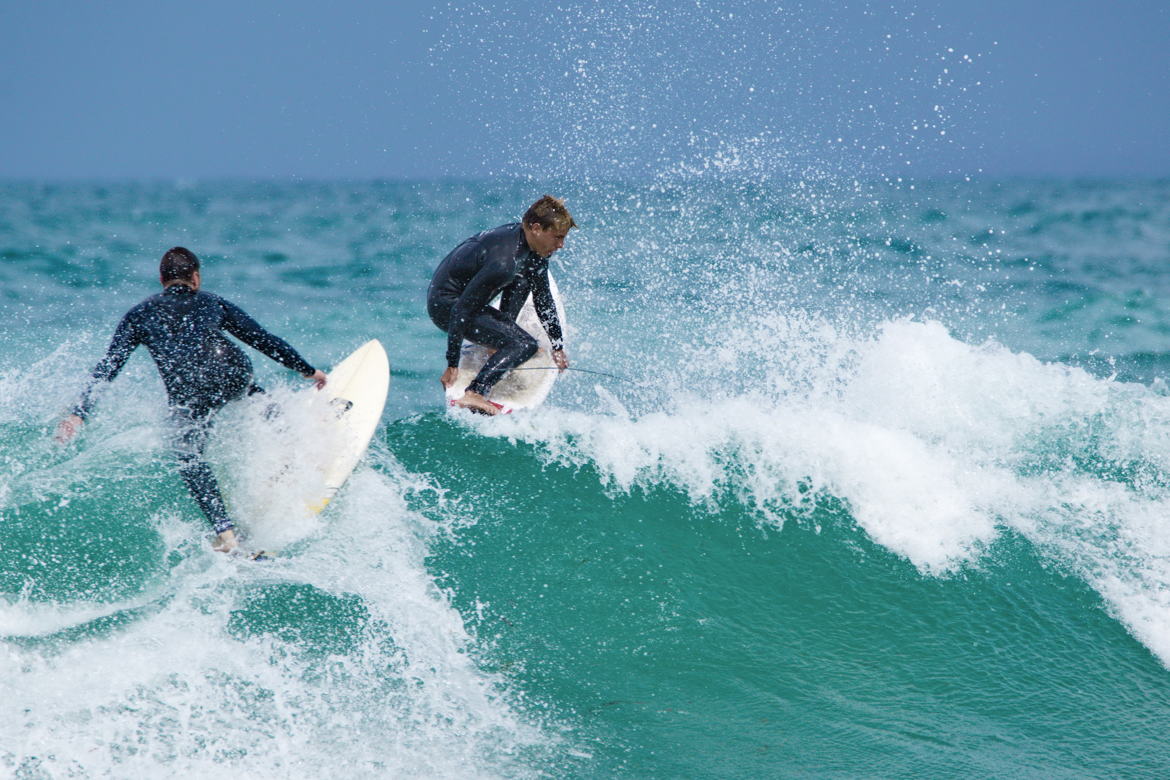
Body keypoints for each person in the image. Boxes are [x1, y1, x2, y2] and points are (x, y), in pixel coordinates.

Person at [55, 247, 326, 553]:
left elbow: (109, 366)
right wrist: (307, 370)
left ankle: (226, 535)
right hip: (233, 371)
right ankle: (291, 453)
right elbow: (262, 339)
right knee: (254, 396)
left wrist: (79, 412)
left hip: (190, 389)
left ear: (161, 279)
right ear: (195, 278)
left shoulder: (138, 315)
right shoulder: (212, 301)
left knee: (188, 453)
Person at [427, 195, 575, 415]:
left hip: (465, 301)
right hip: (446, 308)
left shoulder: (529, 247)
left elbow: (543, 299)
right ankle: (475, 392)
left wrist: (558, 345)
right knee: (525, 345)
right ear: (536, 228)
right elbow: (461, 310)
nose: (561, 245)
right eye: (557, 237)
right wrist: (452, 364)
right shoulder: (504, 262)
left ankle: (497, 343)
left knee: (527, 276)